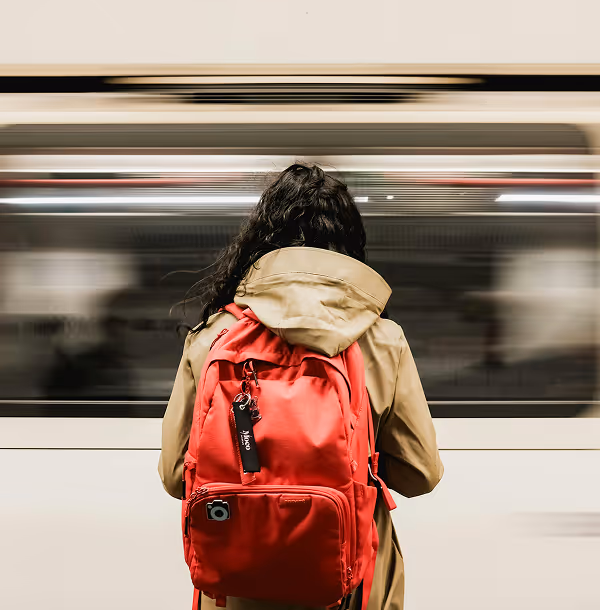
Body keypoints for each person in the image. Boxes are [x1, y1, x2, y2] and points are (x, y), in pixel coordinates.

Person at [159, 164, 443, 610]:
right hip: (352, 586)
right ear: (347, 245)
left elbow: (177, 477)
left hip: (237, 588)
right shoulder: (382, 339)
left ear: (259, 241)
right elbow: (420, 474)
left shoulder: (212, 336)